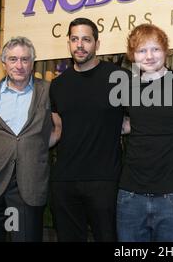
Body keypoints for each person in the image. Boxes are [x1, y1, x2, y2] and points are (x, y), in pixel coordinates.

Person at [116, 23, 173, 242]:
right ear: (132, 55)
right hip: (130, 195)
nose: (149, 56)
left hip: (172, 196)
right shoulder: (126, 89)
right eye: (141, 50)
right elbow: (125, 124)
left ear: (166, 50)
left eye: (155, 49)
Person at [0, 36, 53, 242]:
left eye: (25, 60)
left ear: (32, 63)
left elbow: (60, 127)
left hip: (28, 185)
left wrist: (40, 150)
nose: (19, 65)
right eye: (13, 59)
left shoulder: (49, 92)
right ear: (4, 63)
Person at [49, 17, 125, 242]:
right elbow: (57, 129)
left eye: (86, 39)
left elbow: (134, 121)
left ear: (97, 44)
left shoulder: (118, 78)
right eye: (74, 39)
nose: (79, 45)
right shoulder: (58, 85)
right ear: (69, 43)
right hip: (64, 182)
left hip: (104, 181)